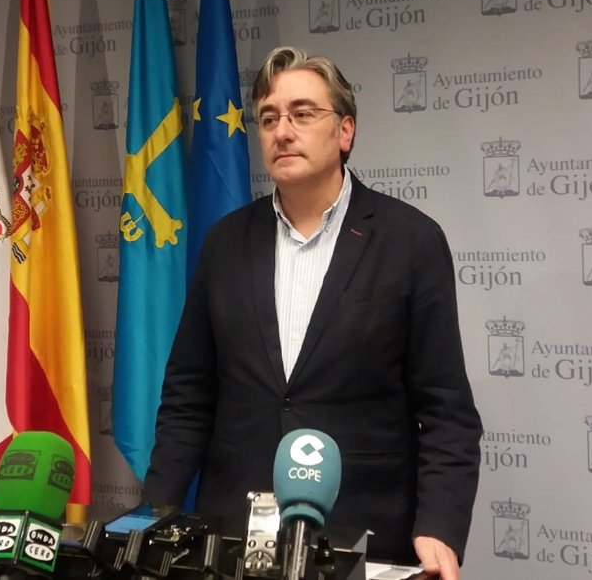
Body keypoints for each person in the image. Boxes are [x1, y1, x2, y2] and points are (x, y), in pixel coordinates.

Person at [143, 46, 483, 578]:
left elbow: (446, 410)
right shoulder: (225, 243)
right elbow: (189, 394)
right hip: (235, 534)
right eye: (269, 118)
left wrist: (439, 526)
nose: (282, 131)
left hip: (365, 536)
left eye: (302, 114)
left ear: (345, 132)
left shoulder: (411, 241)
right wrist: (154, 514)